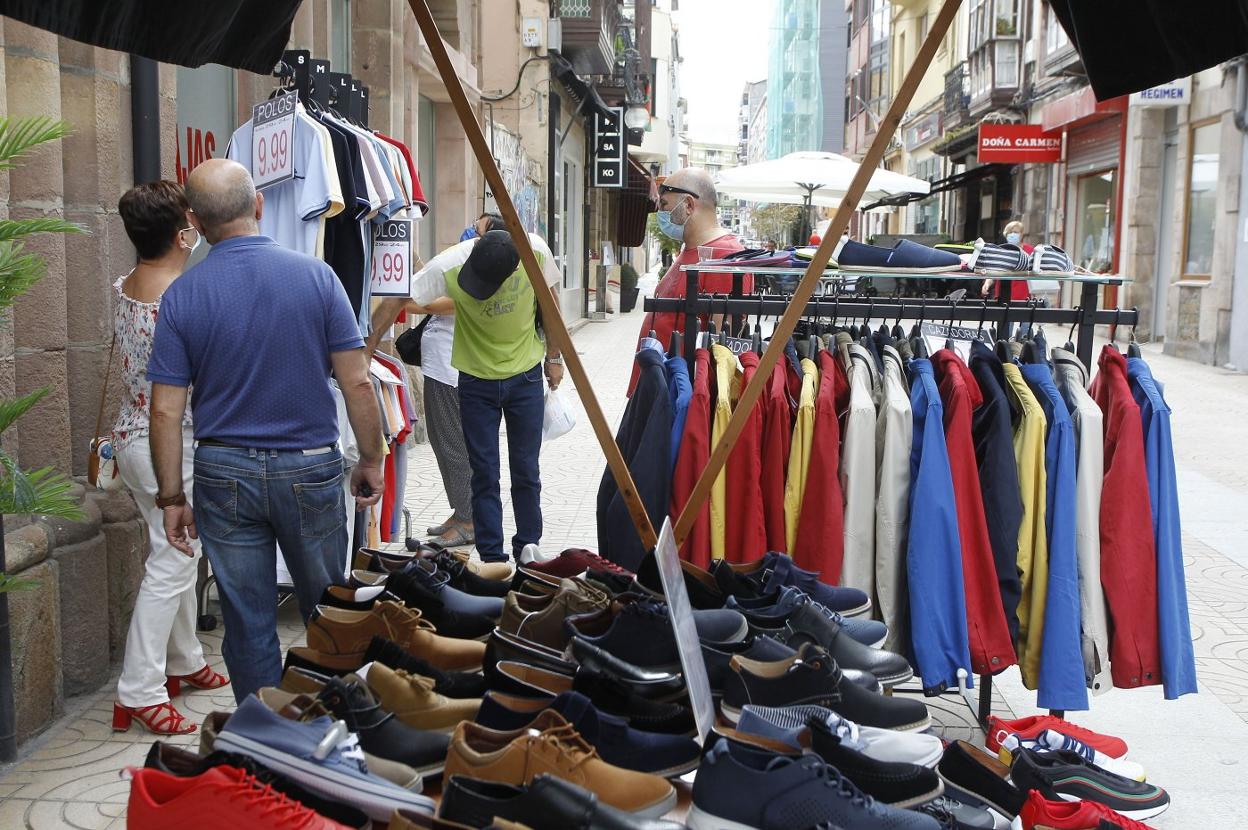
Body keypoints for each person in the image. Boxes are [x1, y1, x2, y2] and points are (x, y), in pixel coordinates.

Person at [147, 159, 384, 703]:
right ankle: (333, 722)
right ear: (258, 206)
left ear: (196, 222)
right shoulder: (317, 277)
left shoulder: (182, 296)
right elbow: (358, 383)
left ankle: (264, 738)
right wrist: (370, 457)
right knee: (328, 610)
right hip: (308, 465)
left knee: (247, 617)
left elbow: (165, 412)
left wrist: (171, 497)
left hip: (222, 471)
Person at [369, 228, 563, 565]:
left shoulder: (536, 253)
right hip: (476, 382)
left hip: (525, 377)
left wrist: (554, 356)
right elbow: (397, 297)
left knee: (526, 470)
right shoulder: (448, 265)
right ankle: (491, 558)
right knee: (483, 472)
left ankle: (528, 551)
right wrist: (364, 354)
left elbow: (550, 303)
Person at [110, 181, 227, 736]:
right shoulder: (178, 297)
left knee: (171, 547)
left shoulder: (129, 284)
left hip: (130, 438)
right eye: (193, 220)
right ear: (182, 231)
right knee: (175, 558)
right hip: (168, 443)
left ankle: (183, 659)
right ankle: (139, 689)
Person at [632, 168, 751, 395]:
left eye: (665, 205)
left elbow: (721, 350)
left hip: (677, 397)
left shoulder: (724, 256)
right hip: (657, 390)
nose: (660, 212)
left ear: (688, 205)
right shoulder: (691, 250)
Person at [982, 219, 1032, 302]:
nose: (1012, 235)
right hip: (1002, 297)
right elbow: (994, 271)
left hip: (1023, 298)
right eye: (1010, 232)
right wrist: (987, 284)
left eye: (1015, 232)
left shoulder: (1030, 251)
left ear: (1022, 234)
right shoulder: (1001, 250)